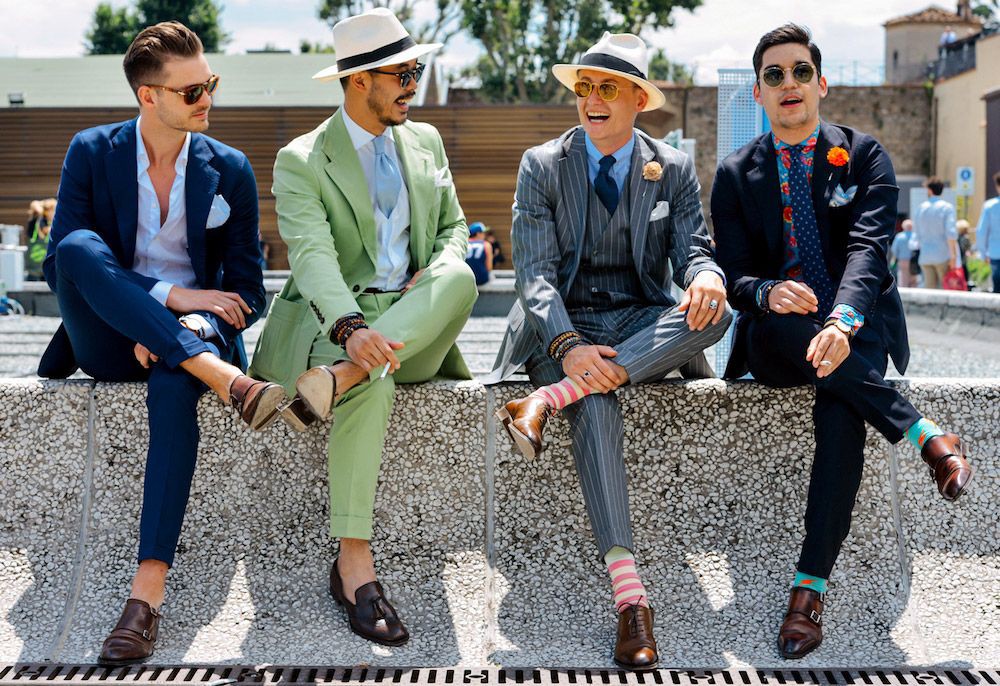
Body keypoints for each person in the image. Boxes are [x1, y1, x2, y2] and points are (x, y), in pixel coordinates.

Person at [711, 23, 973, 660]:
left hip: (855, 327)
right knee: (794, 332)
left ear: (821, 84)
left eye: (800, 71)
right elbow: (733, 274)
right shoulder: (735, 174)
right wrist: (767, 290)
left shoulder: (864, 156)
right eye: (774, 75)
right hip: (776, 335)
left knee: (840, 407)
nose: (789, 83)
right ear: (758, 93)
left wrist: (842, 321)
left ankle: (808, 591)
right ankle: (923, 434)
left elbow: (868, 251)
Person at [485, 32, 731, 670]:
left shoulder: (672, 167)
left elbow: (693, 251)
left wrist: (706, 276)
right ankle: (631, 601)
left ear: (638, 100)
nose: (592, 99)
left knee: (718, 312)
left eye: (608, 89)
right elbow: (535, 277)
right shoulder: (541, 164)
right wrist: (568, 346)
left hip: (638, 319)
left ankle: (547, 401)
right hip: (561, 323)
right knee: (595, 405)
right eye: (585, 87)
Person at [39, 21, 283, 665]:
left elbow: (247, 292)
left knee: (178, 379)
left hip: (191, 344)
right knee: (76, 245)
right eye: (192, 90)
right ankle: (221, 376)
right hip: (110, 338)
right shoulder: (92, 151)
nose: (208, 99)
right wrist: (170, 301)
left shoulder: (229, 168)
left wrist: (192, 331)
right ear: (149, 96)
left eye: (211, 83)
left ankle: (145, 596)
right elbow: (60, 268)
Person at [248, 8, 477, 647]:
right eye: (402, 75)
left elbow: (456, 228)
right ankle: (355, 565)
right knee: (375, 382)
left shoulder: (426, 141)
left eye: (416, 71)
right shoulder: (301, 159)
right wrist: (350, 329)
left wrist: (434, 268)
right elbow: (313, 257)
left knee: (460, 276)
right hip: (337, 322)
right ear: (358, 81)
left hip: (414, 322)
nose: (413, 86)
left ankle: (341, 378)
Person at [912, 177, 958, 289]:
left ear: (929, 190)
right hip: (942, 254)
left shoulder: (920, 208)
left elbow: (916, 233)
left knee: (929, 291)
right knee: (945, 289)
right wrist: (953, 256)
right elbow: (950, 232)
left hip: (925, 255)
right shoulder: (947, 208)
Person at [975, 171, 1000, 293]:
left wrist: (983, 253)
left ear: (997, 186)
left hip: (996, 253)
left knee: (997, 289)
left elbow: (981, 231)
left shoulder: (989, 206)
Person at [24, 198, 56, 280]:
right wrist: (44, 206)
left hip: (46, 269)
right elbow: (34, 204)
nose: (55, 213)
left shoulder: (51, 223)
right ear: (47, 211)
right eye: (53, 210)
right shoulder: (36, 221)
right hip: (34, 271)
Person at [889, 219, 915, 288]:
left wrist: (895, 258)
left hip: (902, 260)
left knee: (903, 279)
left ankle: (904, 293)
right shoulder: (915, 236)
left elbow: (894, 249)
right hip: (913, 261)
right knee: (913, 279)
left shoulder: (899, 236)